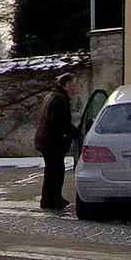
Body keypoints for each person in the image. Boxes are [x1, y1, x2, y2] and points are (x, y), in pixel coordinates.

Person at [34, 72, 80, 211]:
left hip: (46, 140)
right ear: (65, 85)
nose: (74, 88)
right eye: (72, 85)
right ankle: (50, 200)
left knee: (53, 171)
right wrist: (74, 133)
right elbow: (60, 122)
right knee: (55, 172)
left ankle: (53, 198)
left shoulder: (52, 96)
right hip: (52, 142)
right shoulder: (59, 99)